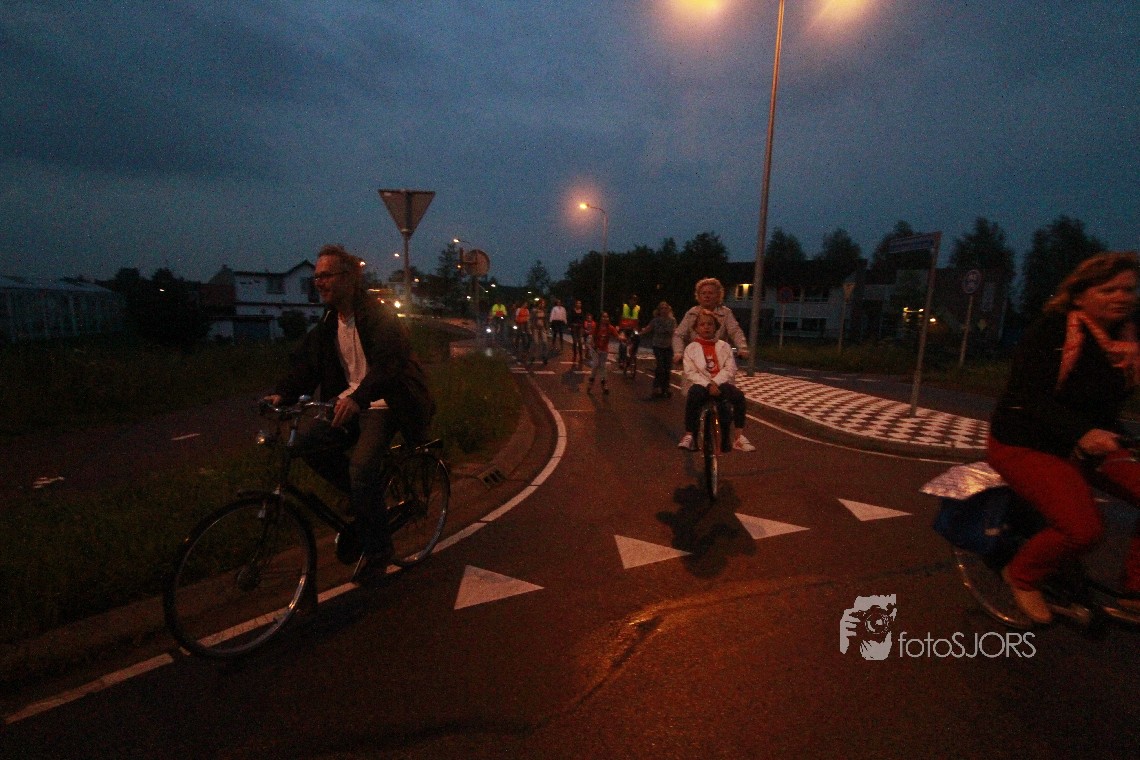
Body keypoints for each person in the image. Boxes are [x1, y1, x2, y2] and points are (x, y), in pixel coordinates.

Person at [988, 250, 1140, 623]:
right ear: (1080, 295)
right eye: (1108, 290)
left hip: (1091, 441)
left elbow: (1104, 405)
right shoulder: (1053, 331)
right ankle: (1022, 575)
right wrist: (1081, 432)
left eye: (1129, 289)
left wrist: (1104, 434)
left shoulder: (1127, 338)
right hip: (1026, 441)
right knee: (1084, 530)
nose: (1122, 297)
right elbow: (1025, 396)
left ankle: (1134, 593)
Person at [265, 244, 435, 574]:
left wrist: (359, 399)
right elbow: (308, 365)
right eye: (316, 277)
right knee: (307, 446)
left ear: (349, 278)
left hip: (384, 401)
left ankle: (379, 549)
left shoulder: (378, 317)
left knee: (361, 468)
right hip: (351, 400)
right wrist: (282, 394)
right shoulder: (330, 322)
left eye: (326, 275)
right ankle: (366, 500)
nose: (319, 282)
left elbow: (388, 365)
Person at [677, 309, 754, 452]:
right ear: (696, 328)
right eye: (702, 325)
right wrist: (708, 384)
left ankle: (738, 437)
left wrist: (715, 383)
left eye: (710, 324)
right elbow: (690, 372)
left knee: (738, 397)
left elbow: (730, 368)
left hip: (720, 384)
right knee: (693, 397)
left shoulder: (724, 346)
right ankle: (689, 435)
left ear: (716, 327)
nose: (706, 327)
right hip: (701, 384)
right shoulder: (691, 348)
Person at [673, 278, 749, 366]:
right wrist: (678, 353)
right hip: (695, 359)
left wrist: (742, 348)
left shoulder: (726, 313)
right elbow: (679, 335)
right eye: (703, 293)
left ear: (718, 295)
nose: (707, 296)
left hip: (719, 359)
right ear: (698, 296)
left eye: (710, 293)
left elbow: (735, 331)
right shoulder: (692, 313)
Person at [640, 300, 677, 398]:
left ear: (668, 309)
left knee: (667, 368)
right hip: (658, 346)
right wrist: (639, 334)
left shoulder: (672, 320)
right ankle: (656, 388)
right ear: (659, 310)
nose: (664, 310)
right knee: (660, 367)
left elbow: (674, 332)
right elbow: (648, 328)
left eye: (665, 308)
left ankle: (666, 388)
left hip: (668, 346)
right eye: (662, 308)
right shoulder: (656, 320)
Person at [586, 312, 622, 395]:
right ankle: (591, 382)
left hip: (604, 349)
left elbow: (618, 336)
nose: (605, 318)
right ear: (600, 318)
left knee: (602, 366)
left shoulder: (610, 328)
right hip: (595, 349)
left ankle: (604, 384)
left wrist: (624, 339)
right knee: (596, 364)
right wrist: (595, 348)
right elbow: (591, 339)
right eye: (603, 317)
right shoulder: (596, 327)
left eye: (607, 317)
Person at [619, 294, 642, 368]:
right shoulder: (624, 307)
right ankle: (621, 360)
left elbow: (641, 320)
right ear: (629, 300)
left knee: (638, 337)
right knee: (622, 343)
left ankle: (633, 354)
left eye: (635, 300)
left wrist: (641, 328)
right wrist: (617, 326)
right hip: (624, 329)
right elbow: (618, 317)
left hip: (634, 329)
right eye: (632, 300)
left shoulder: (638, 308)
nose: (633, 301)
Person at [531, 298, 550, 365]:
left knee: (545, 342)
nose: (543, 305)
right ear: (539, 304)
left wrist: (547, 329)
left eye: (544, 303)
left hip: (542, 328)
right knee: (536, 342)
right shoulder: (534, 311)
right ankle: (533, 355)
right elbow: (531, 319)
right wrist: (530, 329)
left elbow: (546, 320)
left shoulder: (544, 311)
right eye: (542, 303)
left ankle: (545, 356)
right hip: (535, 328)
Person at [568, 300, 587, 366]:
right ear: (575, 304)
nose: (579, 304)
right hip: (574, 327)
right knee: (575, 342)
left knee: (580, 342)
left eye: (580, 303)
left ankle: (581, 355)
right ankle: (575, 354)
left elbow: (583, 320)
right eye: (578, 303)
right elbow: (570, 318)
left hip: (579, 327)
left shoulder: (582, 311)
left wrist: (583, 327)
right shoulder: (572, 311)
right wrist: (570, 326)